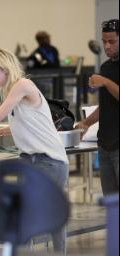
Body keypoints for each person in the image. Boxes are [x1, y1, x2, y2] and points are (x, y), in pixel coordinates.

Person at [0, 49, 69, 253]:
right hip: (30, 161)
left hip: (49, 161)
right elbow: (22, 122)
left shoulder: (23, 85)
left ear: (5, 69)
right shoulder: (12, 90)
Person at [76, 19, 119, 196]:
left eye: (112, 41)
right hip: (105, 146)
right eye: (104, 41)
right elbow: (106, 105)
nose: (107, 46)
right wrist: (86, 122)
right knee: (112, 205)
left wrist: (105, 82)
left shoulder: (106, 75)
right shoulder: (106, 67)